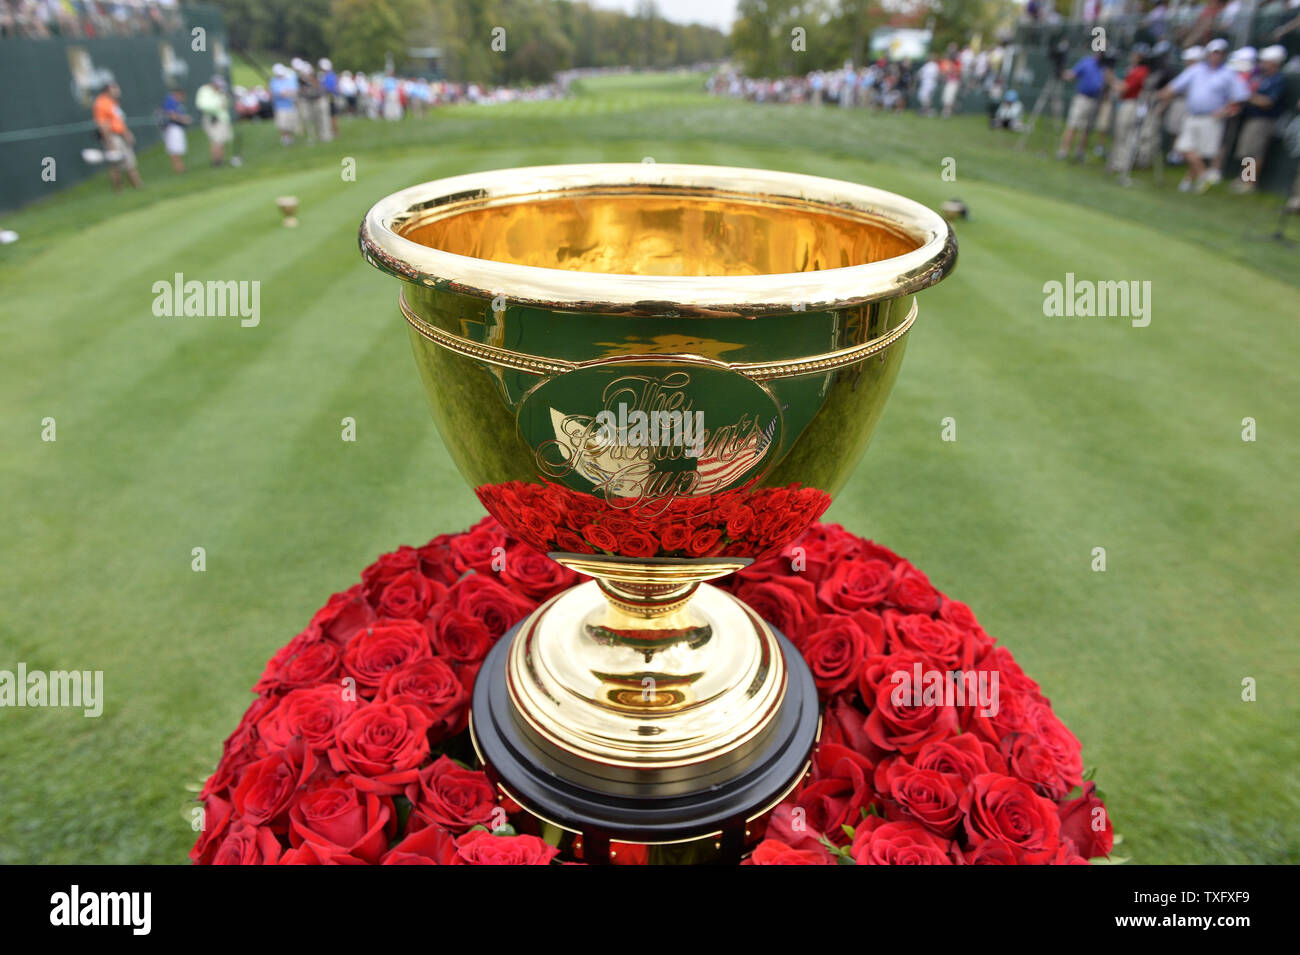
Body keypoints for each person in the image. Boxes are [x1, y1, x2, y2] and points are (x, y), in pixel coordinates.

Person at [1159, 38, 1251, 192]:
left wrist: (1224, 111)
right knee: (1185, 148)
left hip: (1211, 118)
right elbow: (1175, 86)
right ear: (1208, 54)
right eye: (1214, 53)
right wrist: (1160, 96)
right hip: (1193, 115)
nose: (1216, 56)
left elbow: (1240, 97)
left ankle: (1190, 180)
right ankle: (1203, 176)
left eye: (1219, 53)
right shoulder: (1196, 69)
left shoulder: (1228, 73)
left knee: (1199, 152)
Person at [1230, 45, 1288, 193]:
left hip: (1263, 121)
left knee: (1254, 153)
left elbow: (1268, 102)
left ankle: (1249, 183)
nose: (1262, 64)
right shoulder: (1260, 77)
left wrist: (1248, 95)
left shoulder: (1277, 80)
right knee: (1247, 151)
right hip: (1251, 118)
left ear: (1274, 63)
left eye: (1265, 61)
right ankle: (1244, 178)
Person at [1056, 50, 1110, 161]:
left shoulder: (1105, 67)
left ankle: (1080, 152)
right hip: (1082, 98)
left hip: (1095, 100)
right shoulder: (1086, 62)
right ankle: (1064, 151)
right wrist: (1061, 72)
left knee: (1087, 128)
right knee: (1073, 124)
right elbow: (1072, 74)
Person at [1109, 46, 1151, 176]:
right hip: (1126, 103)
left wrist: (1109, 77)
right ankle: (1117, 163)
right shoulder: (1134, 70)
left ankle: (1122, 165)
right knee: (1120, 135)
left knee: (1126, 136)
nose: (1133, 56)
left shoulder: (1141, 71)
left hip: (1132, 104)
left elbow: (1123, 89)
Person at [92, 81, 141, 191]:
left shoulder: (112, 102)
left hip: (120, 135)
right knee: (115, 165)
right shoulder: (101, 103)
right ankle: (118, 190)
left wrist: (127, 133)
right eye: (114, 88)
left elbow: (118, 121)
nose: (117, 91)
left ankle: (137, 186)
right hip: (112, 137)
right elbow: (102, 124)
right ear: (108, 90)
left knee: (129, 162)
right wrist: (109, 142)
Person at [194, 75, 232, 166]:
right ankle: (216, 161)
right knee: (216, 140)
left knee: (221, 140)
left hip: (223, 119)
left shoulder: (221, 92)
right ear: (213, 83)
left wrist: (225, 99)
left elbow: (226, 104)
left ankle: (220, 159)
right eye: (217, 85)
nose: (219, 87)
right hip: (212, 119)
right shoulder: (204, 91)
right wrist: (217, 107)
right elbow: (202, 105)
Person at [160, 86, 189, 173]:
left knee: (178, 149)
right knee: (174, 149)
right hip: (172, 127)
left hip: (176, 127)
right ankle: (178, 168)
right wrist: (184, 119)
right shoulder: (170, 101)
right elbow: (171, 115)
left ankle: (180, 167)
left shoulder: (174, 102)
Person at [269, 63, 300, 145]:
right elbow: (278, 93)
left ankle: (289, 137)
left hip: (290, 105)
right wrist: (286, 93)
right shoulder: (273, 81)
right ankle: (285, 137)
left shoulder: (289, 79)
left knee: (290, 123)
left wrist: (286, 92)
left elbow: (294, 90)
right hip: (280, 106)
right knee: (282, 124)